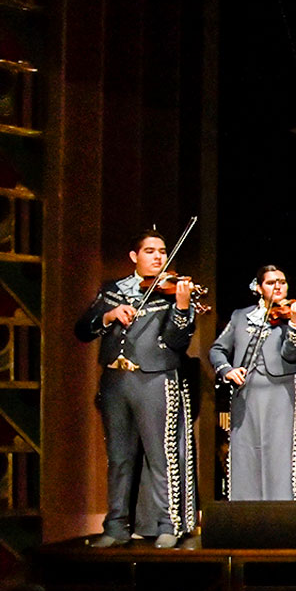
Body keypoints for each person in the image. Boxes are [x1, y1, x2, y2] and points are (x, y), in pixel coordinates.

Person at [75, 230, 200, 547]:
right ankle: (116, 526)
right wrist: (109, 315)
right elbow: (83, 329)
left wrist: (183, 307)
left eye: (162, 251)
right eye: (150, 251)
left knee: (162, 455)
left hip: (155, 377)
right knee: (118, 457)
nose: (158, 257)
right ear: (134, 256)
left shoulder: (172, 293)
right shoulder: (112, 290)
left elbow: (177, 341)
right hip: (116, 380)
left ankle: (168, 523)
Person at [210, 265, 296, 502]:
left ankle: (281, 514)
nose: (278, 286)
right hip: (245, 393)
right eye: (270, 282)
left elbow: (291, 354)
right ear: (258, 288)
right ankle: (245, 514)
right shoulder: (240, 316)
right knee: (245, 452)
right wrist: (227, 370)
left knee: (279, 453)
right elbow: (217, 349)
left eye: (282, 281)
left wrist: (295, 325)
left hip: (280, 392)